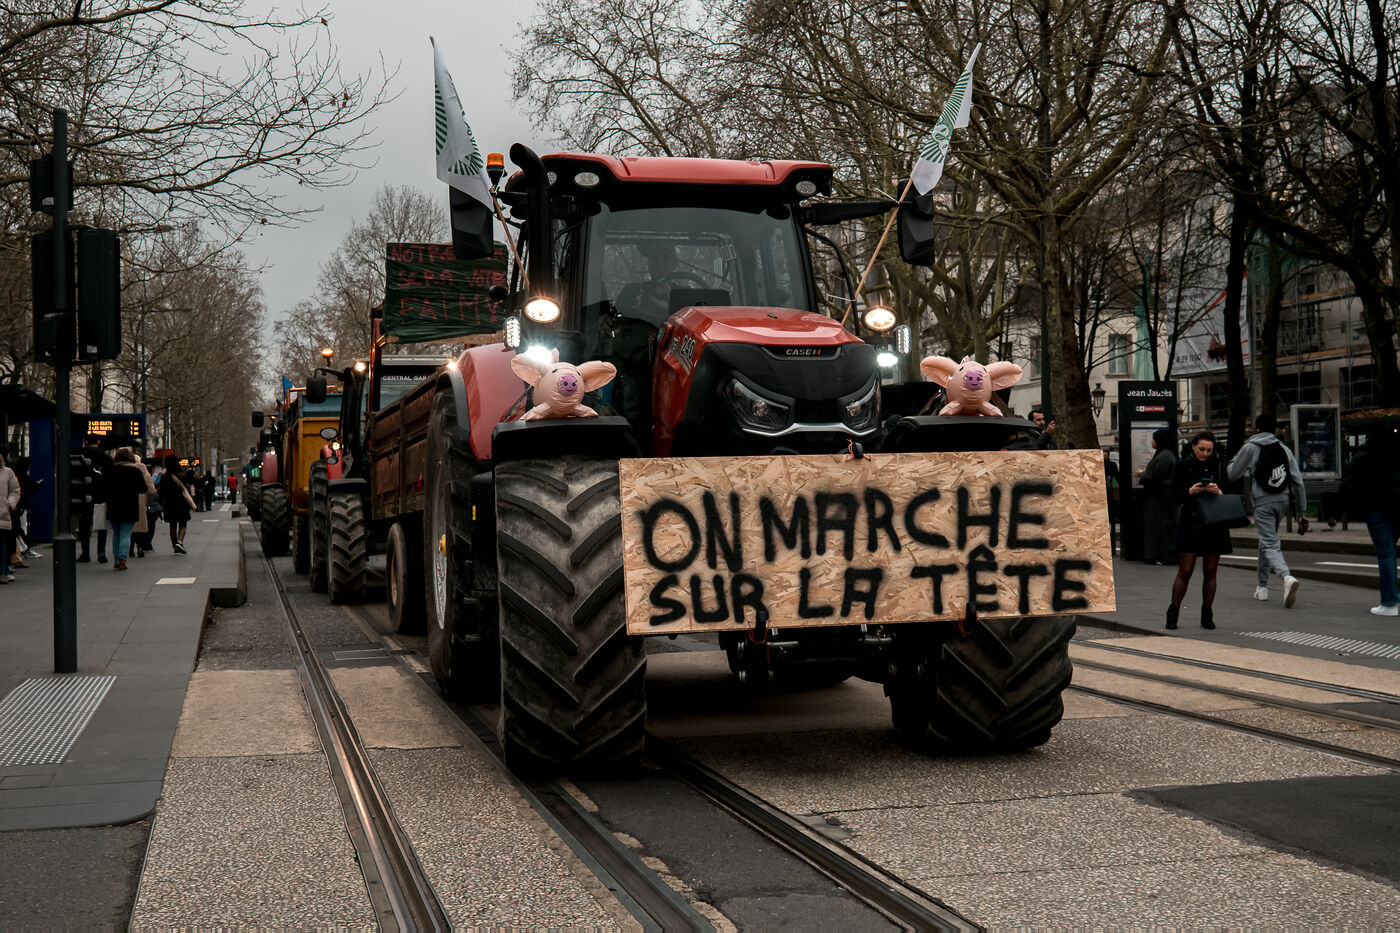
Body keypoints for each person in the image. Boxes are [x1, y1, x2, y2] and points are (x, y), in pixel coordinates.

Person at [1227, 412, 1306, 607]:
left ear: (1257, 428)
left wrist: (1235, 459)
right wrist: (1301, 512)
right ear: (1275, 429)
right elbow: (1298, 481)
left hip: (1263, 500)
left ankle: (1286, 577)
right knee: (1266, 540)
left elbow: (1232, 474)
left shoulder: (1251, 446)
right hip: (1283, 500)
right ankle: (1262, 588)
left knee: (1269, 543)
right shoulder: (1284, 449)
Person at [1165, 430, 1232, 630]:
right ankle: (1173, 612)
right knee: (1185, 570)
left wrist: (1218, 491)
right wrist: (1190, 491)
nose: (1205, 453)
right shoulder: (1182, 466)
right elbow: (1173, 496)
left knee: (1211, 571)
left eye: (1209, 450)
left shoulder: (1219, 468)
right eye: (1201, 449)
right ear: (1193, 446)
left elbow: (1229, 495)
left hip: (1214, 524)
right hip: (1190, 522)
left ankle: (1207, 613)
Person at [1340, 429, 1400, 616]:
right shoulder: (1396, 452)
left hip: (1376, 509)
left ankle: (1389, 602)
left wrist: (1336, 511)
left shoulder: (1364, 455)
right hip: (1397, 508)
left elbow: (1349, 482)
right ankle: (1392, 598)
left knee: (1386, 554)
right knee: (1390, 552)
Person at [101, 448, 152, 571]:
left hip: (113, 506)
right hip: (130, 506)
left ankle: (116, 560)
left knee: (116, 534)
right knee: (125, 534)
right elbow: (143, 489)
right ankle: (123, 559)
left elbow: (104, 488)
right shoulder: (135, 471)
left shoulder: (111, 471)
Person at [1137, 428, 1178, 565]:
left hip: (1160, 498)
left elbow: (1155, 476)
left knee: (1159, 526)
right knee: (1162, 526)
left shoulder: (1164, 456)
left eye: (1154, 439)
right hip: (1162, 496)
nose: (1152, 442)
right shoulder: (1167, 454)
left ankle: (1161, 555)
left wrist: (1142, 474)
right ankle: (1162, 554)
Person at [77, 434, 112, 563]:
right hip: (101, 495)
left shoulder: (81, 455)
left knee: (84, 524)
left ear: (85, 442)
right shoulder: (105, 456)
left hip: (84, 494)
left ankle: (85, 553)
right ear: (98, 441)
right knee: (101, 523)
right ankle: (101, 552)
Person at [158, 455, 194, 554]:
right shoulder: (183, 475)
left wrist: (162, 503)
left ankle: (175, 546)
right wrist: (190, 469)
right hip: (182, 502)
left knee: (172, 525)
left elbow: (161, 491)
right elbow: (190, 482)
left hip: (169, 504)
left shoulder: (164, 477)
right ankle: (180, 542)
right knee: (183, 524)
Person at [0, 454, 18, 584]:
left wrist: (9, 504)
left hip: (2, 514)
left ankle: (2, 571)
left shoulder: (7, 472)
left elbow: (15, 490)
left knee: (1, 544)